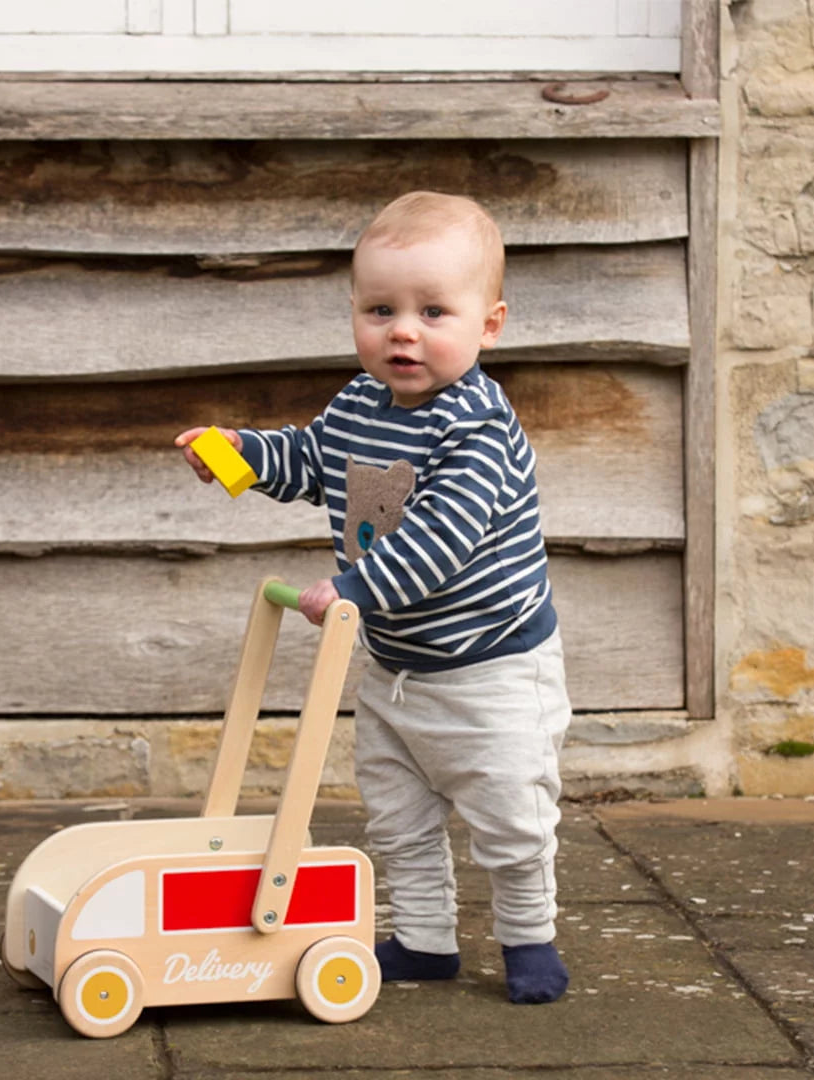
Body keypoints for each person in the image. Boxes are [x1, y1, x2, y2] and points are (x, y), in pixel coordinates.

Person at [176, 191, 572, 1005]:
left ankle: (529, 936)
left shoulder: (477, 429)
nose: (403, 331)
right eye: (380, 308)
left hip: (491, 670)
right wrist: (244, 456)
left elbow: (440, 538)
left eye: (433, 311)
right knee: (398, 814)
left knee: (509, 818)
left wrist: (351, 590)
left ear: (488, 324)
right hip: (395, 669)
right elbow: (310, 458)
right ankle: (426, 940)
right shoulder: (359, 405)